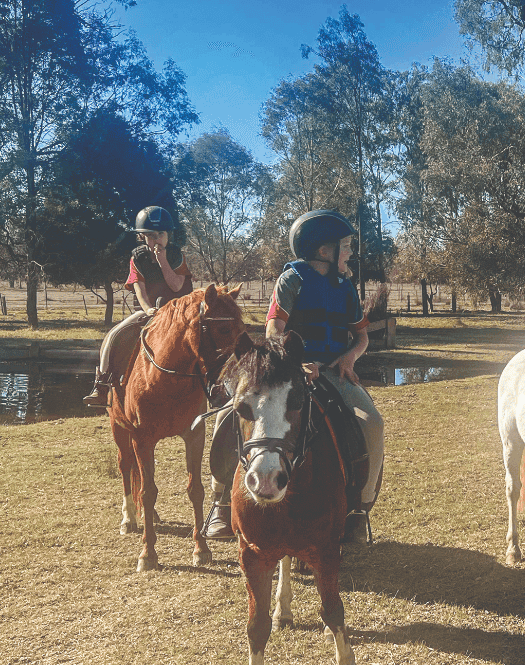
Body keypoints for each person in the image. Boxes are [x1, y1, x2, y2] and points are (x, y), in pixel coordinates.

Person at [203, 209, 384, 544]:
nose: (349, 253)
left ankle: (360, 509)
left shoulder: (345, 288)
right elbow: (275, 329)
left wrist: (349, 357)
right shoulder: (292, 279)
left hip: (332, 371)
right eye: (344, 246)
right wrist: (297, 363)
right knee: (231, 412)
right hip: (289, 370)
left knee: (372, 421)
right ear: (323, 250)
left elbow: (362, 336)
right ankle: (220, 501)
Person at [84, 206, 193, 407]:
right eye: (151, 235)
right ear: (142, 237)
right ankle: (102, 385)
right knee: (114, 335)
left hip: (178, 311)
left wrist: (162, 261)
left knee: (207, 334)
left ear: (169, 235)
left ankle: (216, 385)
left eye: (161, 234)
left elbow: (177, 285)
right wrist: (149, 309)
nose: (157, 239)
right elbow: (139, 291)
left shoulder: (177, 255)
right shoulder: (137, 258)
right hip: (149, 310)